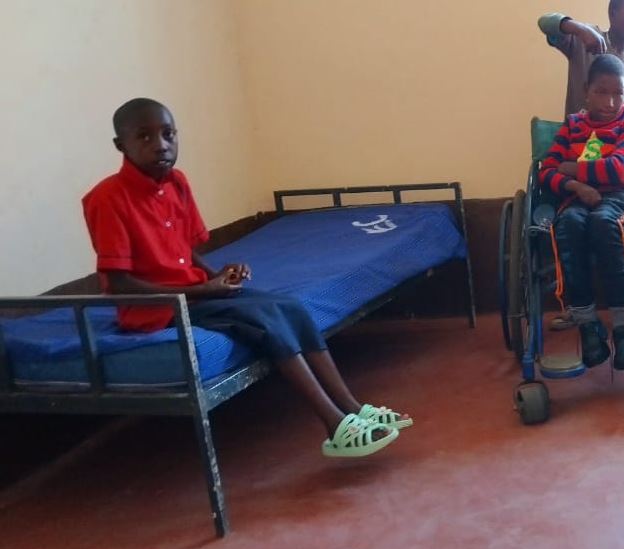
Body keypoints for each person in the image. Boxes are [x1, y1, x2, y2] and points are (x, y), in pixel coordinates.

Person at [82, 98, 410, 457]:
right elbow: (117, 284)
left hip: (196, 292)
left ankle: (353, 407)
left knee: (290, 306)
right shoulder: (107, 198)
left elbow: (183, 249)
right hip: (158, 308)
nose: (160, 145)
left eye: (168, 134)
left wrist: (219, 277)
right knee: (263, 319)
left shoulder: (176, 183)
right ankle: (334, 424)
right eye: (144, 137)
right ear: (121, 145)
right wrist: (205, 289)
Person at [537, 56, 624, 370]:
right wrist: (576, 186)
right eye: (602, 92)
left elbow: (620, 169)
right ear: (587, 90)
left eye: (619, 93)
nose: (611, 102)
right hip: (576, 197)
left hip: (620, 197)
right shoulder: (572, 126)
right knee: (568, 224)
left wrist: (572, 168)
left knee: (603, 222)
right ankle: (588, 326)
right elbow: (546, 172)